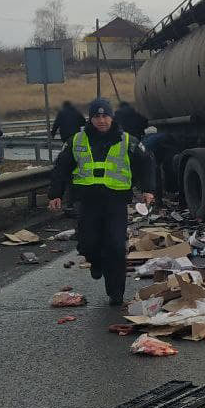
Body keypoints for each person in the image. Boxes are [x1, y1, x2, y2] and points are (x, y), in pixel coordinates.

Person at [48, 98, 155, 305]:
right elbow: (61, 168)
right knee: (87, 243)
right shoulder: (77, 141)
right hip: (88, 202)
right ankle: (96, 262)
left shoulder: (127, 140)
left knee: (116, 246)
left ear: (112, 117)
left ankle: (116, 292)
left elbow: (146, 163)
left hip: (116, 202)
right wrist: (55, 194)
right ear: (91, 119)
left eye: (105, 115)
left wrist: (148, 189)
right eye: (97, 116)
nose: (101, 120)